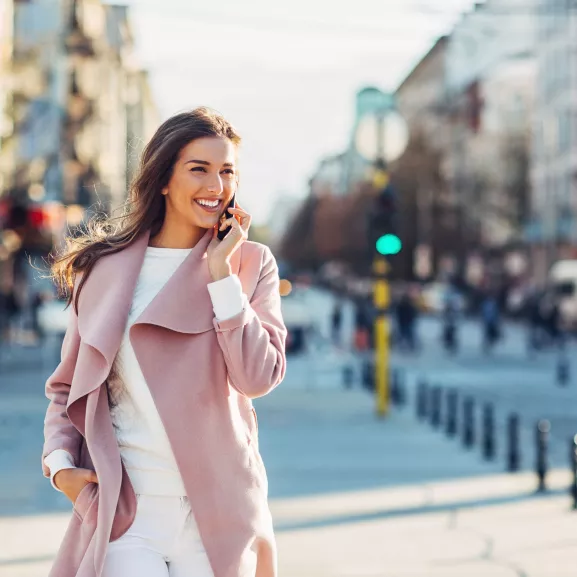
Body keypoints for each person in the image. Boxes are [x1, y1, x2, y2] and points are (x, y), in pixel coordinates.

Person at [41, 108, 287, 577]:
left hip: (219, 513)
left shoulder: (251, 264)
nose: (216, 185)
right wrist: (59, 467)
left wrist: (221, 276)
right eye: (199, 169)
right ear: (164, 179)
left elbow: (257, 378)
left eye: (227, 171)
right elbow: (65, 388)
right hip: (126, 511)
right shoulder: (104, 270)